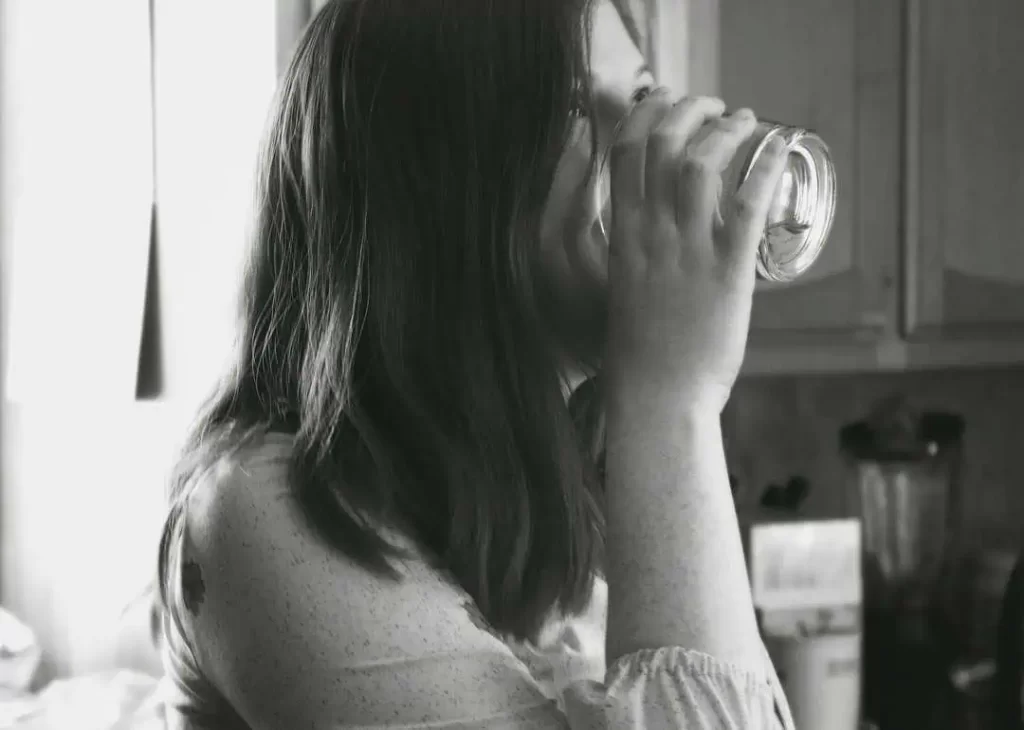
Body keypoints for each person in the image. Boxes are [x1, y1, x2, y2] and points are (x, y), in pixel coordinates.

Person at [155, 0, 795, 727]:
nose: (643, 149)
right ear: (428, 187)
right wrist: (673, 402)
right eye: (573, 107)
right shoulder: (261, 512)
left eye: (642, 97)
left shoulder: (582, 485)